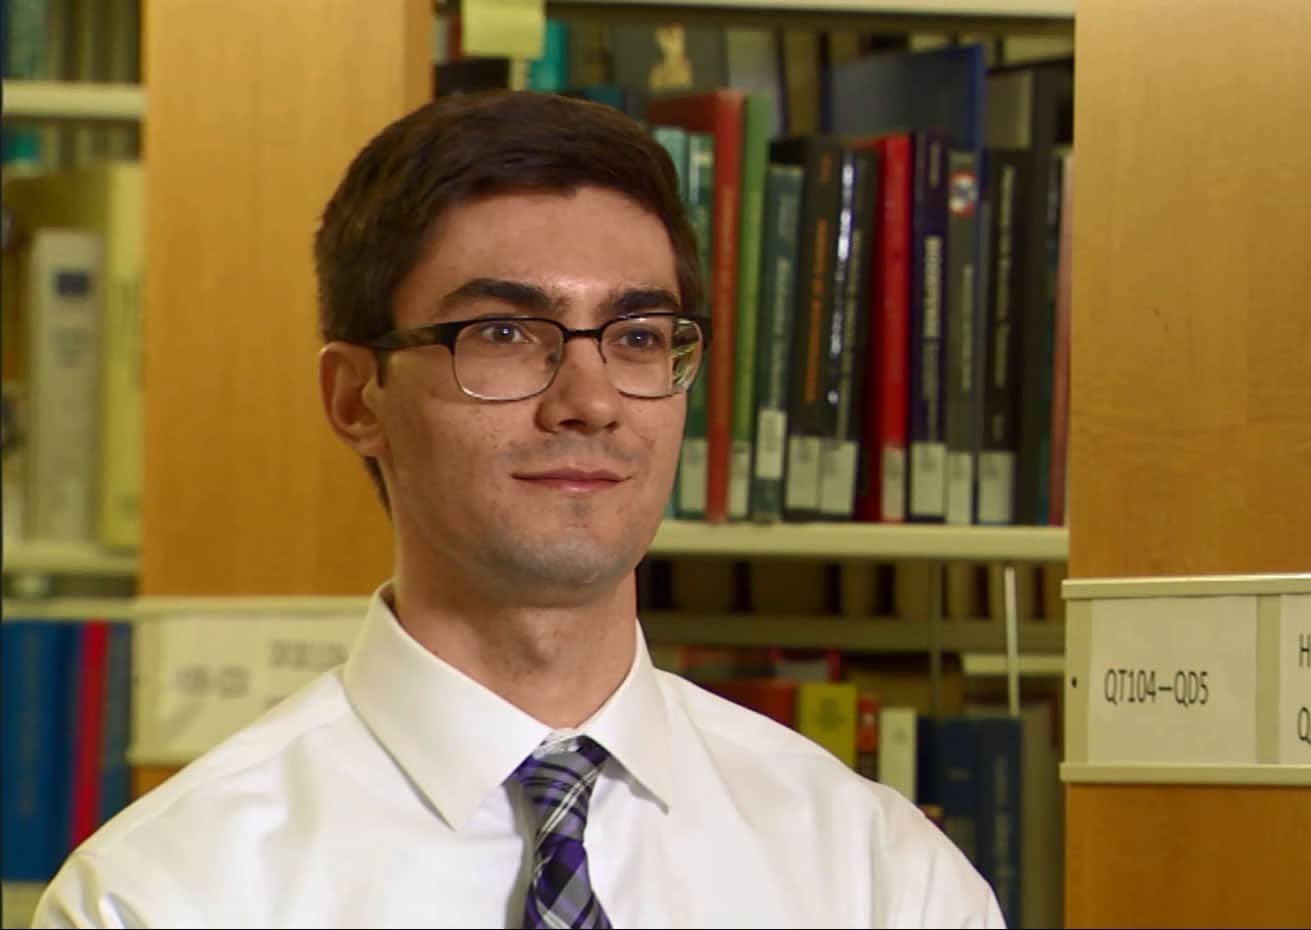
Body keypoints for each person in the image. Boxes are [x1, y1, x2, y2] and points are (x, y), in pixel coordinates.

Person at [31, 90, 1005, 929]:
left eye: (636, 335)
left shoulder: (880, 881)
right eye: (503, 333)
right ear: (356, 398)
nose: (588, 400)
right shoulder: (166, 898)